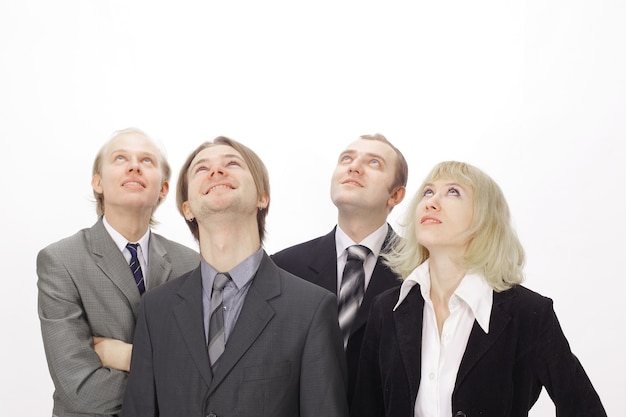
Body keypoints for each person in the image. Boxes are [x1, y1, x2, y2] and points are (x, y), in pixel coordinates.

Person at [351, 161, 607, 417]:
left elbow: (584, 408)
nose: (431, 202)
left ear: (484, 218)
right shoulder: (386, 309)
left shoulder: (529, 313)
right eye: (428, 192)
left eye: (453, 192)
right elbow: (366, 408)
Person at [121, 137, 348, 417]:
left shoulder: (312, 309)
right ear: (187, 208)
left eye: (232, 163)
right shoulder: (155, 309)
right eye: (201, 169)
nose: (216, 171)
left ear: (262, 197)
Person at [37, 127, 199, 417]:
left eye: (147, 161)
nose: (134, 166)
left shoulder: (192, 264)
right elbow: (80, 390)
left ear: (163, 188)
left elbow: (208, 371)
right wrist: (174, 380)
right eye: (121, 158)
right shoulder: (60, 261)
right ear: (97, 182)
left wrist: (126, 356)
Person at [271, 133, 408, 404]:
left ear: (395, 194)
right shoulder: (283, 267)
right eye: (346, 158)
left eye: (374, 163)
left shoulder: (421, 270)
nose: (354, 166)